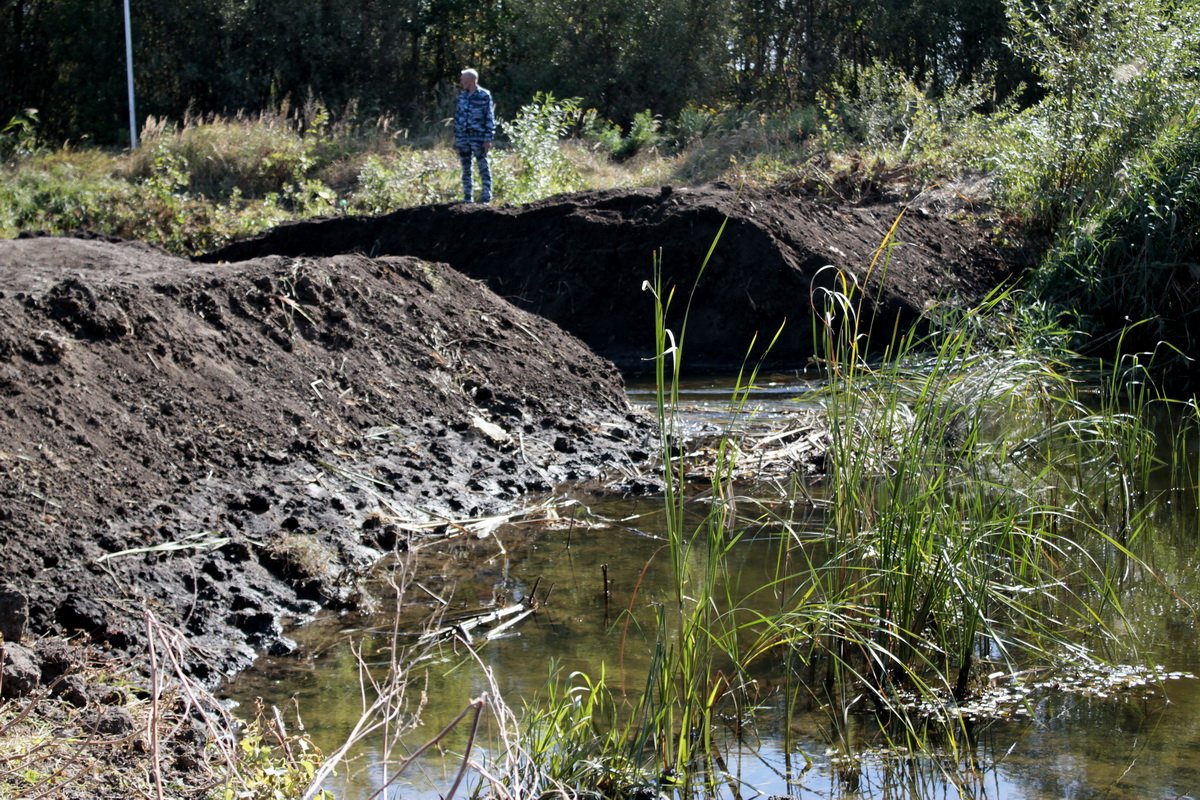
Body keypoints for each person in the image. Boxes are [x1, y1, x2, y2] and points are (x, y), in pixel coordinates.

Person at [454, 68, 495, 203]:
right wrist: (458, 135)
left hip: (478, 136)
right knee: (466, 167)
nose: (461, 81)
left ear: (470, 80)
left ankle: (486, 196)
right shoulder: (462, 96)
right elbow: (458, 116)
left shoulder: (484, 95)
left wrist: (488, 138)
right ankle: (467, 197)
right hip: (463, 137)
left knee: (483, 166)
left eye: (463, 79)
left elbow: (489, 117)